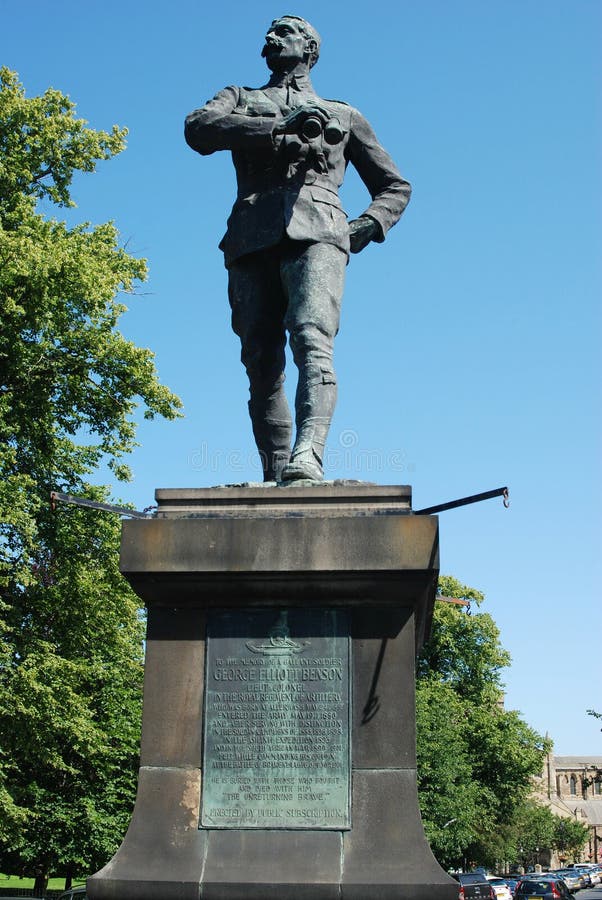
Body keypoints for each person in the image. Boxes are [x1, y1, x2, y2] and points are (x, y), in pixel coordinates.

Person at [185, 15, 411, 482]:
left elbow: (394, 185)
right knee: (260, 360)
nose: (270, 38)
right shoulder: (241, 99)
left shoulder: (342, 115)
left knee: (313, 341)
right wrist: (273, 128)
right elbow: (198, 128)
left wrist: (368, 225)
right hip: (251, 237)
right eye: (269, 33)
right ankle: (275, 471)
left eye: (284, 32)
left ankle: (308, 457)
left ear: (310, 48)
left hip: (320, 233)